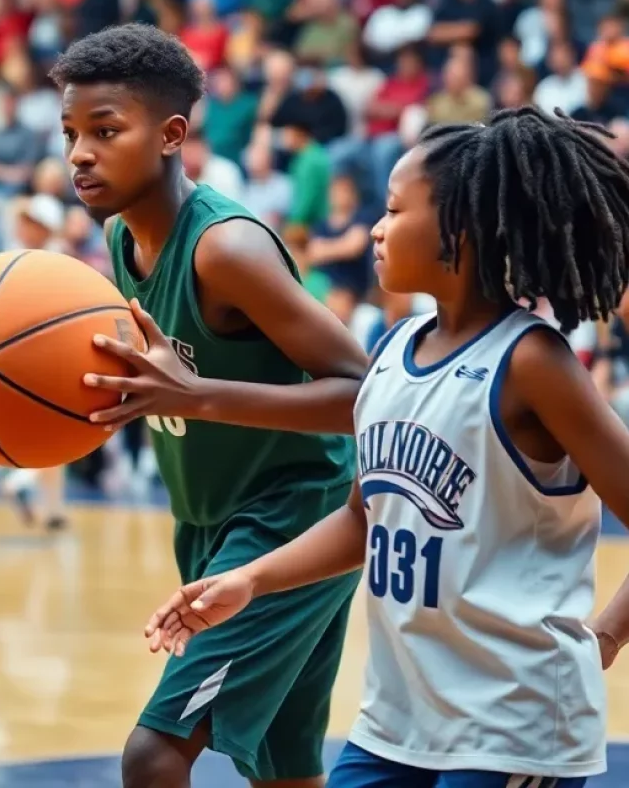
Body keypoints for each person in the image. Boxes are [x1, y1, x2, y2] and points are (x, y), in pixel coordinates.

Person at [145, 108, 629, 787]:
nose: (376, 227)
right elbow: (361, 519)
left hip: (512, 726)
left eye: (395, 210)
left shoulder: (532, 364)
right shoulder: (394, 350)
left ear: (458, 231)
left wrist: (606, 634)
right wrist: (252, 580)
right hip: (399, 721)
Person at [51, 24, 369, 788]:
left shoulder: (224, 249)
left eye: (105, 131)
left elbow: (365, 393)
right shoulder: (122, 236)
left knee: (154, 754)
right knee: (284, 768)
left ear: (171, 136)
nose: (80, 154)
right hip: (206, 517)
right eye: (70, 134)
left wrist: (197, 398)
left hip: (292, 514)